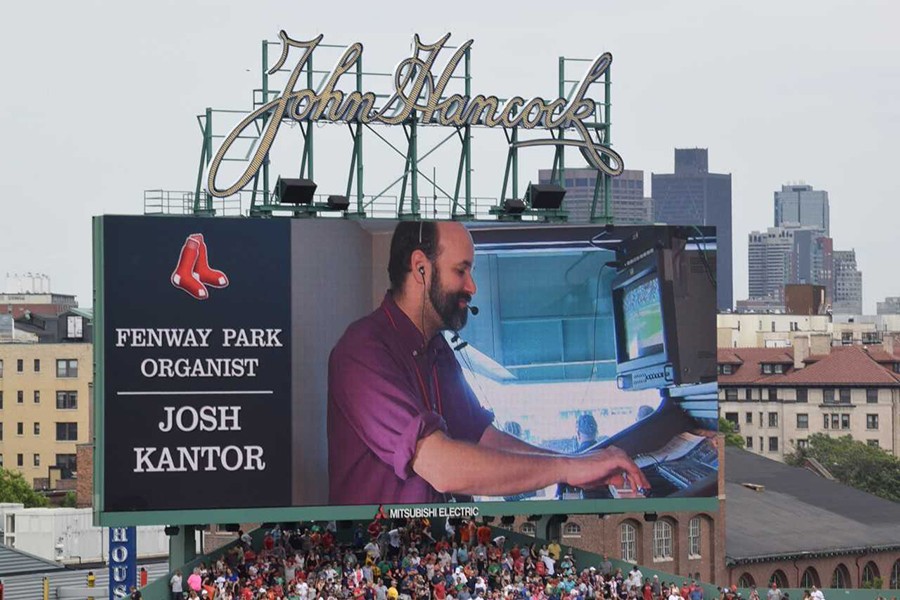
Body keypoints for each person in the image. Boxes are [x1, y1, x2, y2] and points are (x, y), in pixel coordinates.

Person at [328, 220, 650, 504]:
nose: (472, 286)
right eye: (461, 270)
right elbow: (441, 465)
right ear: (420, 267)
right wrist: (568, 468)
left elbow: (484, 437)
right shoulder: (363, 350)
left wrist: (577, 463)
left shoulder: (438, 351)